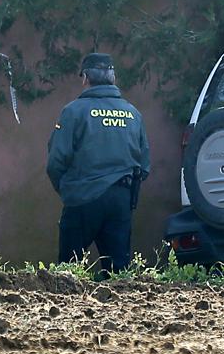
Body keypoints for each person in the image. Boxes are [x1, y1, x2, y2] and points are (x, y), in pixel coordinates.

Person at [46, 53, 151, 276]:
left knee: (68, 273)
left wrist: (66, 190)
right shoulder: (133, 114)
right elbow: (144, 165)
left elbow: (56, 160)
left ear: (85, 78)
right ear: (114, 78)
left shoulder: (73, 111)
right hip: (121, 200)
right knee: (119, 275)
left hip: (82, 197)